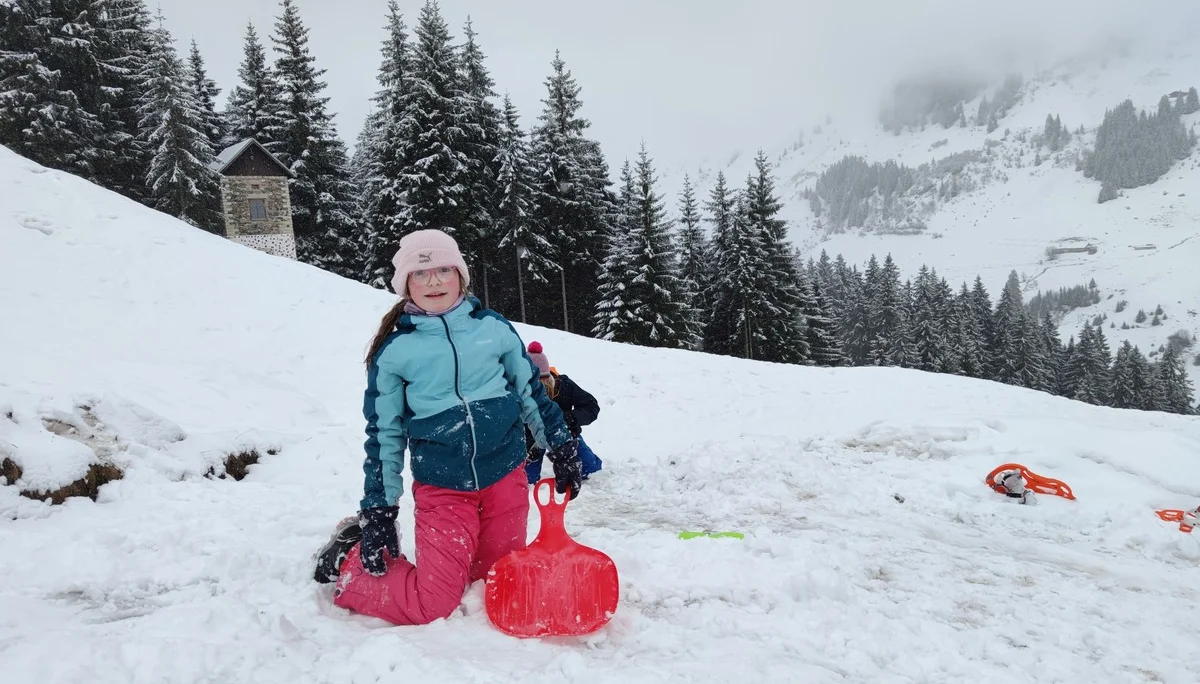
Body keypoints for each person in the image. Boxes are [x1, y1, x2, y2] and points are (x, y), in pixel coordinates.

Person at [311, 228, 583, 626]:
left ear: (461, 275)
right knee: (434, 604)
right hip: (443, 489)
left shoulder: (493, 329)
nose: (434, 281)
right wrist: (379, 511)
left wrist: (560, 447)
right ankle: (350, 557)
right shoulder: (396, 352)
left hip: (503, 479)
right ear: (405, 284)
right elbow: (384, 436)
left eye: (443, 269)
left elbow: (531, 395)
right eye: (421, 274)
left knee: (493, 587)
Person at [523, 341, 603, 484]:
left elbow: (591, 407)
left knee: (590, 470)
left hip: (564, 434)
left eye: (542, 384)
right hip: (532, 440)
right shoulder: (519, 390)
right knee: (526, 479)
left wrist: (570, 418)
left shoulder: (564, 385)